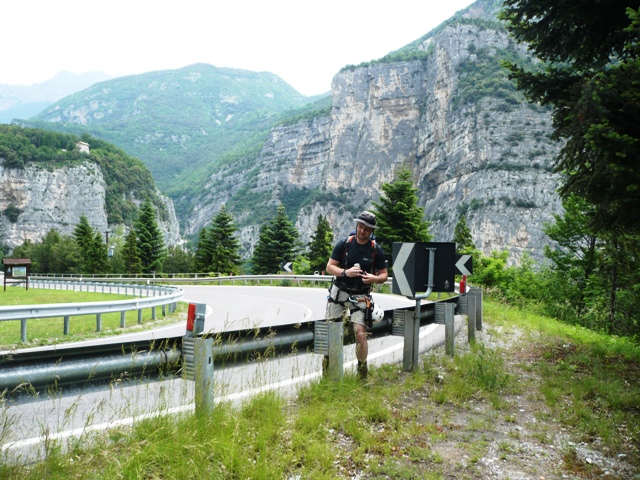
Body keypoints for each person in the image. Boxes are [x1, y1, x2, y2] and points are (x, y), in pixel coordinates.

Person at [325, 211, 388, 380]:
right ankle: (327, 369)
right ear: (357, 226)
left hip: (361, 296)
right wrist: (346, 272)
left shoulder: (376, 250)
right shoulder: (344, 244)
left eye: (366, 229)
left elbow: (384, 275)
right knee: (331, 331)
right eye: (360, 227)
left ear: (371, 231)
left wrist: (374, 278)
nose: (362, 231)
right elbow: (330, 267)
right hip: (339, 293)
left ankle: (362, 371)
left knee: (360, 334)